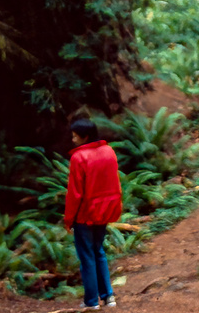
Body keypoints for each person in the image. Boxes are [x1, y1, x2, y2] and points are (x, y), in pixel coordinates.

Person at [64, 117, 122, 310]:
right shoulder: (109, 152)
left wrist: (68, 219)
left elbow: (75, 193)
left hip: (84, 215)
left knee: (87, 257)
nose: (72, 140)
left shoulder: (79, 158)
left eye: (75, 136)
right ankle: (108, 296)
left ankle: (91, 302)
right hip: (104, 212)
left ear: (85, 136)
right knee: (99, 252)